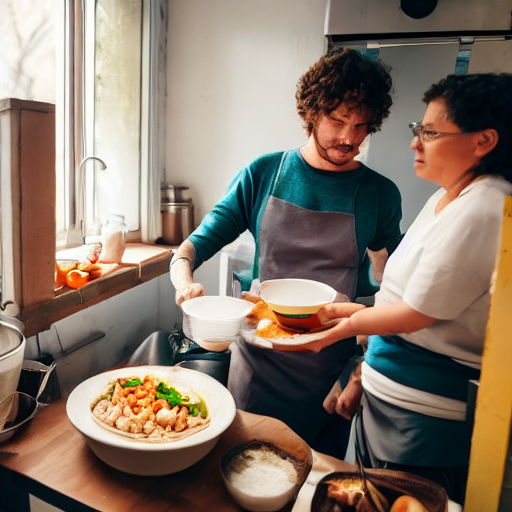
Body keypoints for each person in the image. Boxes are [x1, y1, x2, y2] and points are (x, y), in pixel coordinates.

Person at [170, 48, 402, 458]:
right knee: (246, 470)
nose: (349, 138)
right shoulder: (264, 174)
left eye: (361, 126)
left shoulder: (380, 195)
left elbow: (393, 292)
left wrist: (362, 367)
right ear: (312, 112)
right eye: (337, 121)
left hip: (327, 371)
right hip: (258, 368)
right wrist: (184, 283)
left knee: (314, 484)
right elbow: (189, 249)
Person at [304, 72, 512, 504]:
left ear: (483, 141)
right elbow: (396, 301)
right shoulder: (446, 198)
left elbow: (417, 314)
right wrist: (363, 371)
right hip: (390, 403)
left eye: (430, 132)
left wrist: (339, 325)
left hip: (424, 423)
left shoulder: (487, 204)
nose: (415, 143)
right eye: (418, 130)